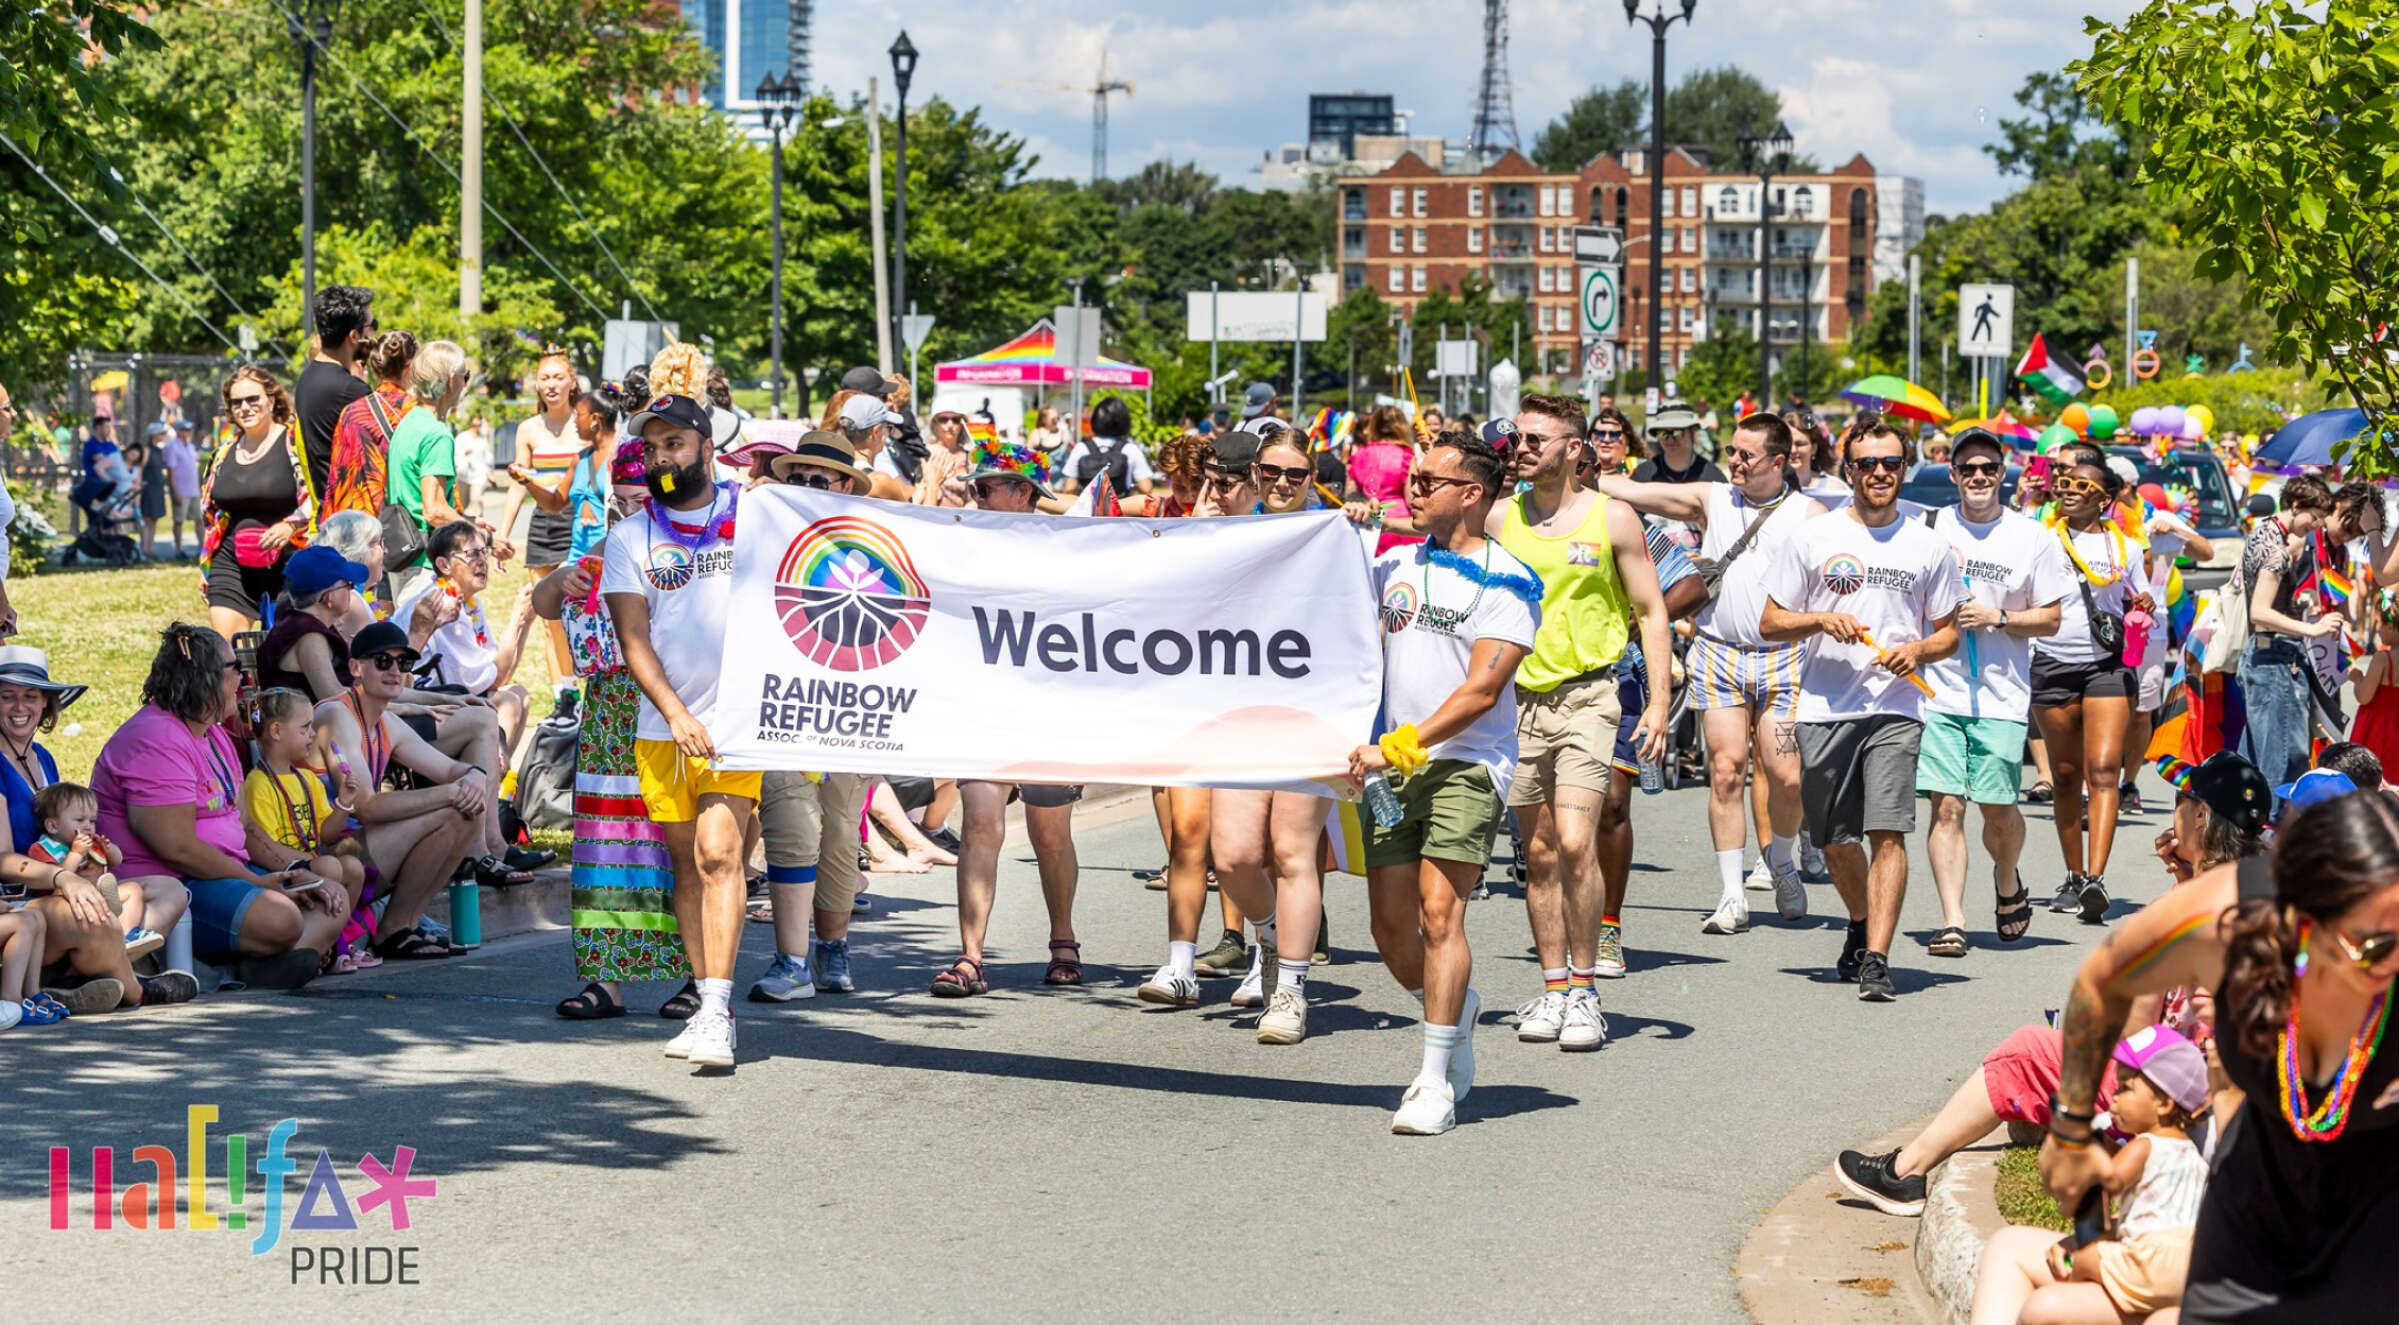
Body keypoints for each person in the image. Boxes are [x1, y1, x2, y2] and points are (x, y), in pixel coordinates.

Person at [1836, 749, 2269, 1217]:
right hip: (2218, 1090)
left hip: (2179, 1095)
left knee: (2029, 1049)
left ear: (2201, 816)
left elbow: (2136, 1036)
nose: (2175, 811)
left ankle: (1905, 1172)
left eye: (2182, 801)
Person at [2041, 790, 2399, 1318]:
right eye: (2376, 947)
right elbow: (2103, 982)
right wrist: (2071, 1128)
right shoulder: (2224, 918)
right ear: (2301, 918)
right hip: (2256, 1196)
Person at [1351, 432, 1539, 1135]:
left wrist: (1396, 745)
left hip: (1465, 762)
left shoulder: (1508, 580)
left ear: (1472, 494)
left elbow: (1482, 689)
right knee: (1390, 930)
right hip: (1388, 767)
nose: (1413, 487)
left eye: (1429, 479)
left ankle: (1432, 1079)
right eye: (1412, 477)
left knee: (1438, 913)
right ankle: (1455, 1007)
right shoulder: (1393, 564)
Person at [1759, 418, 1965, 1000]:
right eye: (1868, 463)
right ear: (1848, 469)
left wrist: (1919, 650)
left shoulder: (1927, 543)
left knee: (1888, 831)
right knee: (1833, 839)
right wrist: (1821, 618)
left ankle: (1876, 955)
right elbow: (1771, 621)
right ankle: (1858, 920)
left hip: (1896, 709)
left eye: (1892, 463)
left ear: (1905, 469)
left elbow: (1949, 633)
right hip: (1825, 707)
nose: (1880, 473)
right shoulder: (1813, 538)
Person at [1598, 413, 1826, 935]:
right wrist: (1578, 473)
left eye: (1746, 456)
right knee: (1725, 771)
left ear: (1779, 461)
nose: (1735, 463)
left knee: (1787, 774)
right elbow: (1637, 492)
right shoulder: (1715, 497)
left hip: (1785, 657)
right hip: (1720, 652)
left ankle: (1783, 861)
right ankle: (1731, 894)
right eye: (1731, 452)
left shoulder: (1809, 515)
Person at [1490, 394, 1670, 1049]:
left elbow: (1650, 610)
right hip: (1517, 705)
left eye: (1537, 438)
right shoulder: (1497, 519)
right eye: (1518, 437)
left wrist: (1655, 701)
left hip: (1590, 696)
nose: (1522, 447)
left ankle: (1586, 991)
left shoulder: (1612, 517)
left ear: (1572, 449)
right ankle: (1552, 988)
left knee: (1573, 840)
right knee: (1537, 855)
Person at [602, 388, 756, 1067]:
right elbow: (634, 640)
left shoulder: (753, 518)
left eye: (675, 443)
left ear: (705, 447)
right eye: (653, 445)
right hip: (664, 725)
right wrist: (675, 712)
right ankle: (704, 995)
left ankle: (718, 1010)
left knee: (720, 854)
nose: (662, 456)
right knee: (687, 870)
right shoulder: (629, 536)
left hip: (737, 720)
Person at [96, 624, 346, 987]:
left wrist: (293, 870)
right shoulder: (156, 738)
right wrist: (258, 883)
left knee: (328, 893)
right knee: (282, 917)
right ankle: (236, 969)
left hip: (221, 872)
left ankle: (251, 970)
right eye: (234, 669)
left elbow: (243, 826)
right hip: (173, 883)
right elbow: (177, 849)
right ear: (204, 679)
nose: (243, 679)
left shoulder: (213, 732)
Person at [541, 445, 693, 1021]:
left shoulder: (687, 551)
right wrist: (564, 581)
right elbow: (542, 603)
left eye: (640, 502)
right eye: (619, 503)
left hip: (671, 707)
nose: (629, 513)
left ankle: (698, 977)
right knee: (606, 843)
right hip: (608, 712)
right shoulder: (602, 552)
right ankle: (606, 981)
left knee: (676, 843)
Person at [931, 440, 1085, 998]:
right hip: (982, 704)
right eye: (972, 487)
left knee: (1049, 831)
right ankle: (971, 956)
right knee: (980, 823)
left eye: (985, 487)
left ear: (1023, 494)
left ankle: (1063, 939)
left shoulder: (1063, 548)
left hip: (1048, 705)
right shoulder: (961, 542)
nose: (974, 496)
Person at [1918, 429, 2072, 955]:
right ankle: (1953, 920)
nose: (1978, 477)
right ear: (1953, 474)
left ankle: (2008, 877)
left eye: (1987, 468)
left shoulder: (2033, 538)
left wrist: (1999, 616)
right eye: (1967, 468)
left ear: (2001, 474)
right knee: (1946, 808)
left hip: (2003, 697)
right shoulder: (1931, 529)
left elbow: (2051, 618)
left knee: (1998, 808)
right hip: (1937, 691)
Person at [741, 433, 880, 1004]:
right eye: (796, 478)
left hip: (851, 705)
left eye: (818, 481)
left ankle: (832, 950)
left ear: (844, 486)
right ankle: (791, 961)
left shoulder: (877, 540)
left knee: (842, 834)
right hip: (785, 700)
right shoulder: (765, 532)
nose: (804, 489)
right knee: (791, 823)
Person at [1973, 1027, 2212, 1325]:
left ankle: (2078, 1282)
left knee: (2084, 1261)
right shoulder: (2191, 1157)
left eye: (2125, 1088)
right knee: (2025, 1251)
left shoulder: (2144, 1146)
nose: (2113, 1098)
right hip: (2186, 1268)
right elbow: (2153, 1218)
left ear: (2164, 1103)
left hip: (2147, 1263)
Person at [313, 620, 496, 962]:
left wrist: (473, 775)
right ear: (355, 668)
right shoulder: (338, 713)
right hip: (321, 859)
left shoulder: (385, 722)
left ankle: (402, 927)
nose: (395, 670)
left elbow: (449, 769)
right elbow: (365, 806)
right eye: (383, 661)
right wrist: (452, 793)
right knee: (453, 808)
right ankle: (395, 929)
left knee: (465, 812)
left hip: (355, 851)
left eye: (404, 663)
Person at [2033, 446, 2156, 925]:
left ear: (2104, 498)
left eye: (2082, 486)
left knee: (2104, 770)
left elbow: (2138, 596)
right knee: (2065, 775)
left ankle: (2095, 881)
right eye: (2064, 484)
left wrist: (2142, 602)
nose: (2069, 492)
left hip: (2106, 665)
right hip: (2052, 662)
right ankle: (2073, 872)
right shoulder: (2042, 540)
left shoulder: (2123, 548)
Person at [2240, 475, 2376, 789]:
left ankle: (2249, 832)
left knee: (2262, 758)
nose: (2314, 526)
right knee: (2284, 764)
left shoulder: (2274, 535)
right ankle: (2277, 830)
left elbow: (2334, 603)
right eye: (2315, 518)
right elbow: (2261, 610)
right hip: (2281, 654)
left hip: (2292, 655)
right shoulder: (2287, 544)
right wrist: (2310, 626)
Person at [239, 687, 374, 971]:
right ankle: (333, 949)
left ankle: (333, 940)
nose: (313, 734)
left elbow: (326, 835)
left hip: (312, 863)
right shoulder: (258, 783)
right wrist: (311, 864)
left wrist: (344, 803)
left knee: (352, 867)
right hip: (282, 870)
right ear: (276, 731)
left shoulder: (307, 780)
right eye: (305, 727)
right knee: (329, 866)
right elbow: (268, 848)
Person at [394, 522, 536, 757]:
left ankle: (494, 783)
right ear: (444, 565)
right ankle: (483, 780)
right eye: (471, 554)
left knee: (519, 693)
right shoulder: (444, 606)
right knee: (508, 704)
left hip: (450, 692)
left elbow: (498, 675)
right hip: (419, 703)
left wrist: (526, 622)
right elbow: (492, 680)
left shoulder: (468, 602)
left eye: (484, 552)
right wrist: (517, 619)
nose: (482, 561)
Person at [494, 347, 586, 710]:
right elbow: (519, 482)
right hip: (542, 528)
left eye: (558, 377)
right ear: (536, 384)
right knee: (550, 617)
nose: (551, 384)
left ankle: (584, 686)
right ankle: (564, 696)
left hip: (580, 525)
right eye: (544, 378)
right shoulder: (528, 429)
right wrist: (503, 533)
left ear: (571, 382)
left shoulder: (585, 424)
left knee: (580, 613)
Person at [199, 365, 317, 641]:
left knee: (287, 653)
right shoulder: (224, 451)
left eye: (253, 399)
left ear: (271, 400)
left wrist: (291, 525)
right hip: (232, 564)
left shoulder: (294, 442)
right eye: (236, 402)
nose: (245, 407)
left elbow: (316, 495)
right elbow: (212, 516)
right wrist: (206, 566)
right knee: (227, 653)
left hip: (291, 562)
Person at [383, 339, 473, 601]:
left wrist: (469, 519)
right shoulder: (436, 434)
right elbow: (433, 510)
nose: (465, 384)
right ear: (451, 379)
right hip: (425, 563)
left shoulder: (408, 423)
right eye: (465, 376)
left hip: (402, 551)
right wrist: (479, 535)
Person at [26, 781, 157, 958]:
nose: (88, 826)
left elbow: (117, 860)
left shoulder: (89, 842)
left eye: (92, 821)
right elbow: (54, 878)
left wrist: (108, 849)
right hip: (64, 904)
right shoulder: (42, 849)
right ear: (53, 826)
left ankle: (127, 936)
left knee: (133, 890)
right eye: (80, 820)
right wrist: (75, 854)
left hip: (95, 896)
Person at [293, 284, 375, 497]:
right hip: (350, 517)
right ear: (354, 336)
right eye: (371, 325)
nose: (374, 333)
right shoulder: (350, 390)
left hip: (327, 512)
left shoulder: (308, 377)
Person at [1054, 396, 1155, 497]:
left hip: (1088, 510)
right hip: (1120, 509)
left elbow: (1069, 488)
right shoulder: (1130, 449)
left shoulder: (1081, 448)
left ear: (1095, 420)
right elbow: (1146, 488)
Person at [1628, 405, 1724, 484]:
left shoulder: (1712, 478)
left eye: (1677, 432)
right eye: (1663, 433)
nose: (1670, 439)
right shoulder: (1643, 474)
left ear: (1692, 432)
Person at [164, 417, 201, 557]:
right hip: (181, 491)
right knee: (179, 521)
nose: (187, 432)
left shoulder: (191, 447)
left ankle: (201, 548)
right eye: (184, 430)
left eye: (189, 430)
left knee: (200, 520)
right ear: (178, 431)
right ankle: (178, 549)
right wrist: (175, 491)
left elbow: (194, 470)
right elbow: (171, 472)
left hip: (194, 491)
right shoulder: (172, 447)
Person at [135, 421, 169, 557]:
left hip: (158, 489)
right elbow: (140, 469)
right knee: (147, 519)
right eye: (161, 433)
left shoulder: (159, 451)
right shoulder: (146, 450)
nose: (164, 435)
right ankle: (144, 548)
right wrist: (139, 486)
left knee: (154, 519)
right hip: (148, 490)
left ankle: (150, 548)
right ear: (154, 435)